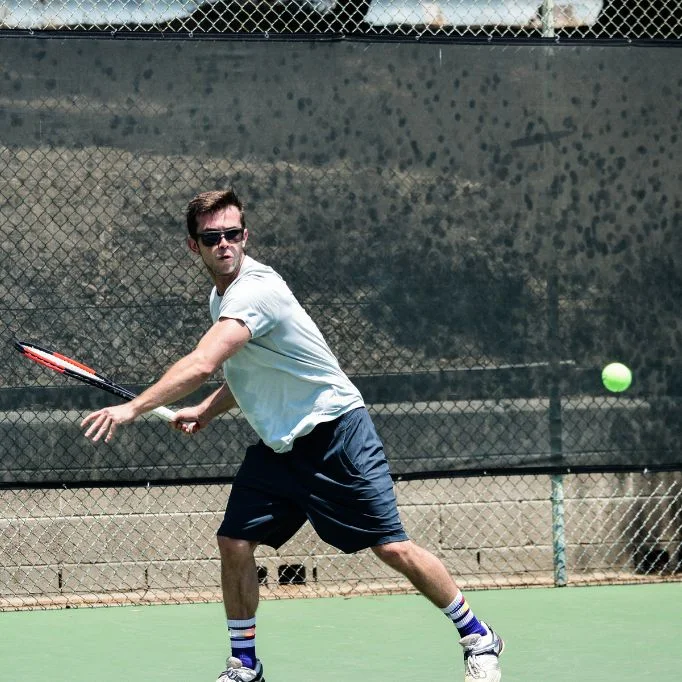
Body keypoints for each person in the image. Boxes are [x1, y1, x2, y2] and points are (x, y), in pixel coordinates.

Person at [81, 188, 505, 682]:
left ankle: (478, 635)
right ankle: (245, 665)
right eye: (212, 237)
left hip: (336, 436)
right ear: (193, 246)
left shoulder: (255, 290)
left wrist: (134, 407)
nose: (225, 244)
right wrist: (207, 410)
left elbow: (204, 362)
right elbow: (248, 369)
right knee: (234, 541)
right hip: (280, 449)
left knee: (392, 547)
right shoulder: (221, 296)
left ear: (246, 235)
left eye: (233, 234)